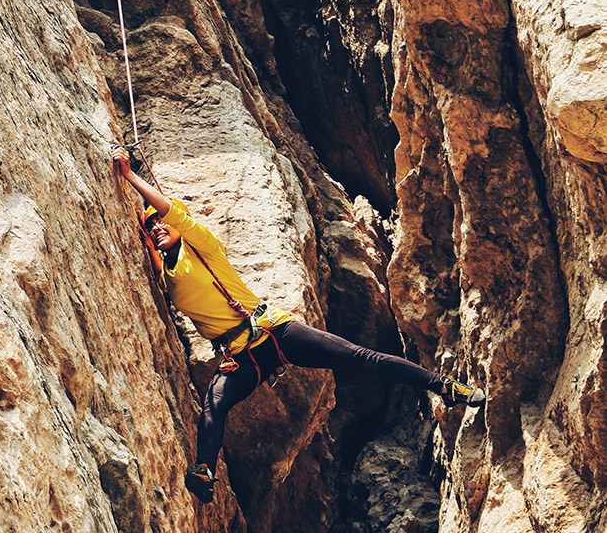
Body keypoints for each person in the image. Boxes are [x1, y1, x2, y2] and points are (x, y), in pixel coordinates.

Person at [111, 147, 485, 503]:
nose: (158, 228)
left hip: (273, 331)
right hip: (240, 356)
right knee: (213, 407)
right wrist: (143, 224)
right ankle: (204, 471)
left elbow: (165, 209)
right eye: (152, 228)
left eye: (163, 224)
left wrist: (129, 173)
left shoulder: (204, 246)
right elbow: (150, 236)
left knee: (361, 358)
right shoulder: (167, 276)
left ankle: (445, 387)